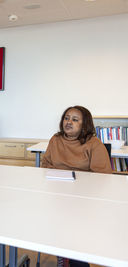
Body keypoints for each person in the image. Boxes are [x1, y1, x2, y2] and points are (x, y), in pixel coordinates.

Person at [42, 105, 112, 267]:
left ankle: (72, 258)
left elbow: (103, 177)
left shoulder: (94, 144)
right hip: (56, 194)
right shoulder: (56, 139)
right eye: (66, 118)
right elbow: (45, 165)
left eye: (75, 119)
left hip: (83, 199)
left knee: (73, 231)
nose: (69, 122)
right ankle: (63, 253)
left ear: (84, 124)